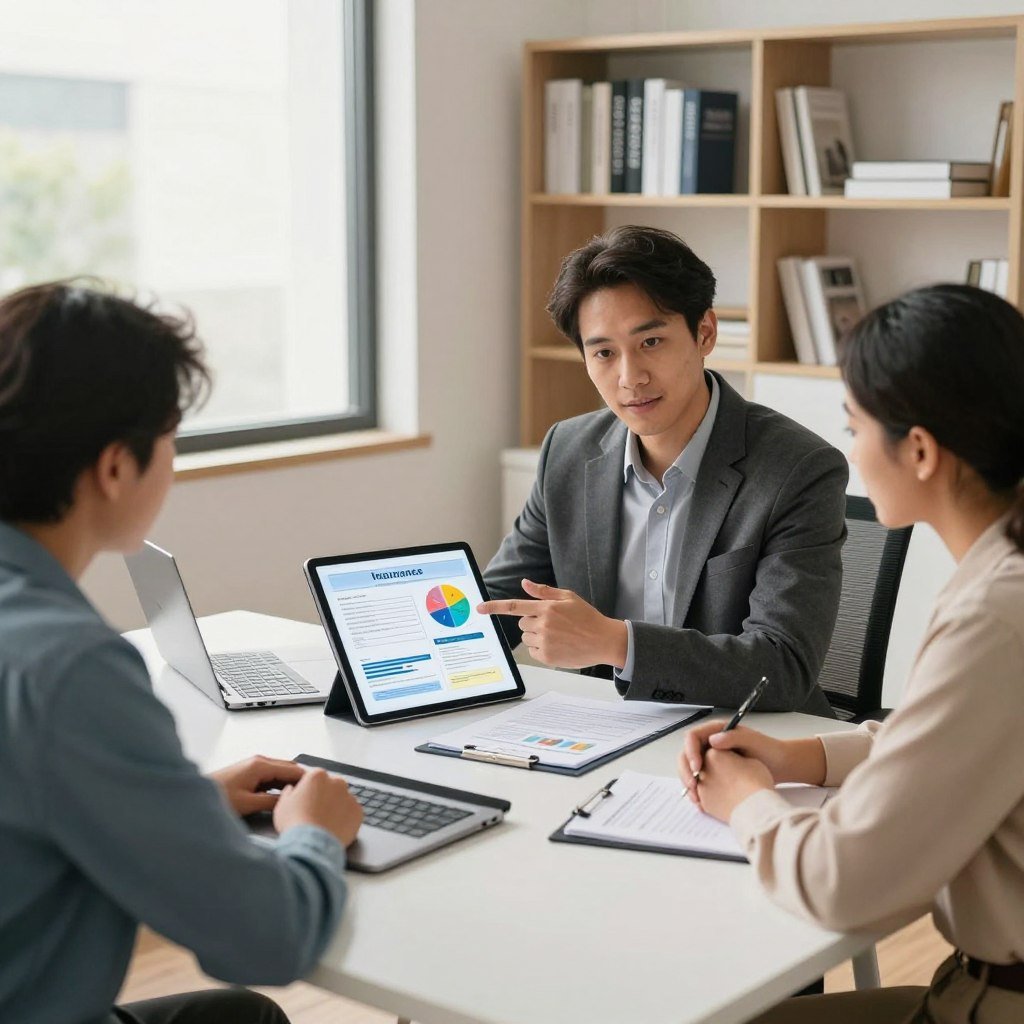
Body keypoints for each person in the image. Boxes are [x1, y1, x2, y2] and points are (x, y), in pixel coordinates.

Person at [0, 282, 364, 1024]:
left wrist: (185, 802)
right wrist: (315, 835)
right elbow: (268, 938)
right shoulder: (70, 669)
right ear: (113, 467)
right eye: (171, 439)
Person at [681, 283, 1024, 1023]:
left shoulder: (997, 616)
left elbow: (841, 880)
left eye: (855, 426)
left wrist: (747, 803)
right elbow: (953, 741)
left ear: (922, 450)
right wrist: (798, 759)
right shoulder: (1001, 579)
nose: (850, 451)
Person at [480, 225, 848, 713]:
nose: (630, 377)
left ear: (705, 333)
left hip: (747, 737)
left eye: (651, 342)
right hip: (610, 729)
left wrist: (618, 644)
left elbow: (781, 668)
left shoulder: (798, 470)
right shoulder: (567, 451)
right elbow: (501, 603)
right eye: (604, 352)